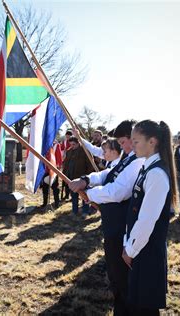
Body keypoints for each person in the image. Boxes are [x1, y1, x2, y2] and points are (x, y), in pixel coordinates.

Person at [69, 120, 144, 315]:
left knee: (122, 276)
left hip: (122, 227)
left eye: (124, 141)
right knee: (115, 276)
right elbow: (108, 174)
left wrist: (90, 194)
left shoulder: (138, 161)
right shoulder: (128, 158)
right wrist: (87, 180)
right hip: (112, 224)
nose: (122, 146)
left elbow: (118, 191)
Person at [122, 120, 177, 315]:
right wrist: (128, 242)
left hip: (147, 251)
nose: (132, 145)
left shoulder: (157, 174)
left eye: (136, 141)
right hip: (140, 249)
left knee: (145, 309)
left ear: (152, 141)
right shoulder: (147, 168)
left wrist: (130, 249)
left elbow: (147, 220)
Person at [62, 136, 94, 217]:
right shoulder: (69, 151)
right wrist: (65, 174)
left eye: (74, 144)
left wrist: (87, 178)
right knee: (74, 195)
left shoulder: (85, 151)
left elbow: (90, 165)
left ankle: (85, 211)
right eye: (71, 144)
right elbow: (66, 164)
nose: (72, 146)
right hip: (72, 177)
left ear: (78, 143)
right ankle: (74, 211)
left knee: (84, 195)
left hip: (82, 178)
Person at [40, 141, 63, 208]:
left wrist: (57, 169)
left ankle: (56, 203)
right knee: (44, 188)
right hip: (44, 170)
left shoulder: (56, 145)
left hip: (53, 170)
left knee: (55, 188)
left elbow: (59, 158)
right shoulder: (43, 144)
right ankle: (45, 203)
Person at [61, 130, 73, 200]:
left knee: (71, 179)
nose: (67, 138)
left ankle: (72, 195)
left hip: (72, 162)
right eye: (66, 136)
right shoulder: (64, 142)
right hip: (65, 162)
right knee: (65, 180)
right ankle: (66, 194)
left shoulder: (74, 142)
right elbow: (62, 150)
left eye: (69, 136)